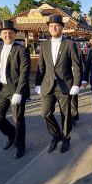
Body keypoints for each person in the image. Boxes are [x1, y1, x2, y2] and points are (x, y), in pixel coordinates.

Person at [35, 14, 82, 154]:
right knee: (45, 113)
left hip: (65, 85)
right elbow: (41, 67)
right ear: (48, 28)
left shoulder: (70, 44)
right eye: (51, 26)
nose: (54, 28)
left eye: (57, 25)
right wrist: (37, 84)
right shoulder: (43, 45)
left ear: (62, 27)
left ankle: (66, 138)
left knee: (66, 114)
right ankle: (56, 135)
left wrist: (76, 83)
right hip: (47, 84)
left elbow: (77, 65)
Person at [0, 20, 30, 159]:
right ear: (0, 35)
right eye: (5, 33)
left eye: (10, 32)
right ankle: (11, 134)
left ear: (15, 34)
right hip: (1, 88)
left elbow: (24, 72)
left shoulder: (21, 50)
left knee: (18, 119)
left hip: (16, 89)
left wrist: (18, 92)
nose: (7, 35)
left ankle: (20, 146)